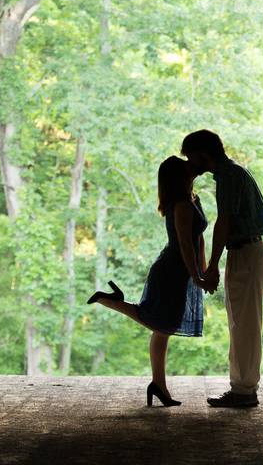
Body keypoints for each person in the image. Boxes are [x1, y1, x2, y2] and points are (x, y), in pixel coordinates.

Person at [87, 156, 209, 407]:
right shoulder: (182, 205)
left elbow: (199, 239)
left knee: (163, 328)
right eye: (186, 167)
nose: (191, 166)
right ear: (179, 176)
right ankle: (110, 301)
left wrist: (203, 267)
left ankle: (158, 385)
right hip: (172, 271)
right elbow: (185, 244)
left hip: (179, 269)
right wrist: (196, 274)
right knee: (163, 324)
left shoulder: (191, 200)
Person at [182, 130, 263, 408]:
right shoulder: (230, 174)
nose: (190, 164)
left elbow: (225, 222)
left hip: (246, 251)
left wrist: (212, 266)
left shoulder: (230, 176)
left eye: (191, 157)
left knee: (244, 323)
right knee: (240, 322)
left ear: (202, 154)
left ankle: (244, 390)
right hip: (243, 251)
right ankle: (241, 387)